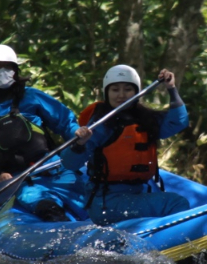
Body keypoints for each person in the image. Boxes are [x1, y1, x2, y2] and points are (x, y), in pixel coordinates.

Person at [0, 44, 91, 221]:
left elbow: (64, 121)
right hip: (20, 180)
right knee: (48, 209)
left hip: (55, 168)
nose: (2, 71)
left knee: (89, 204)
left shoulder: (31, 96)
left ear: (15, 70)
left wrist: (77, 134)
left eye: (7, 66)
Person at [62, 64, 191, 225]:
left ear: (137, 92)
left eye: (128, 89)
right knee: (175, 203)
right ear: (107, 93)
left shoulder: (146, 119)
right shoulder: (100, 125)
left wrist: (171, 88)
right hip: (106, 203)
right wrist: (80, 143)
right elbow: (69, 164)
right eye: (115, 90)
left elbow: (179, 121)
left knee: (170, 202)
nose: (121, 95)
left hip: (133, 195)